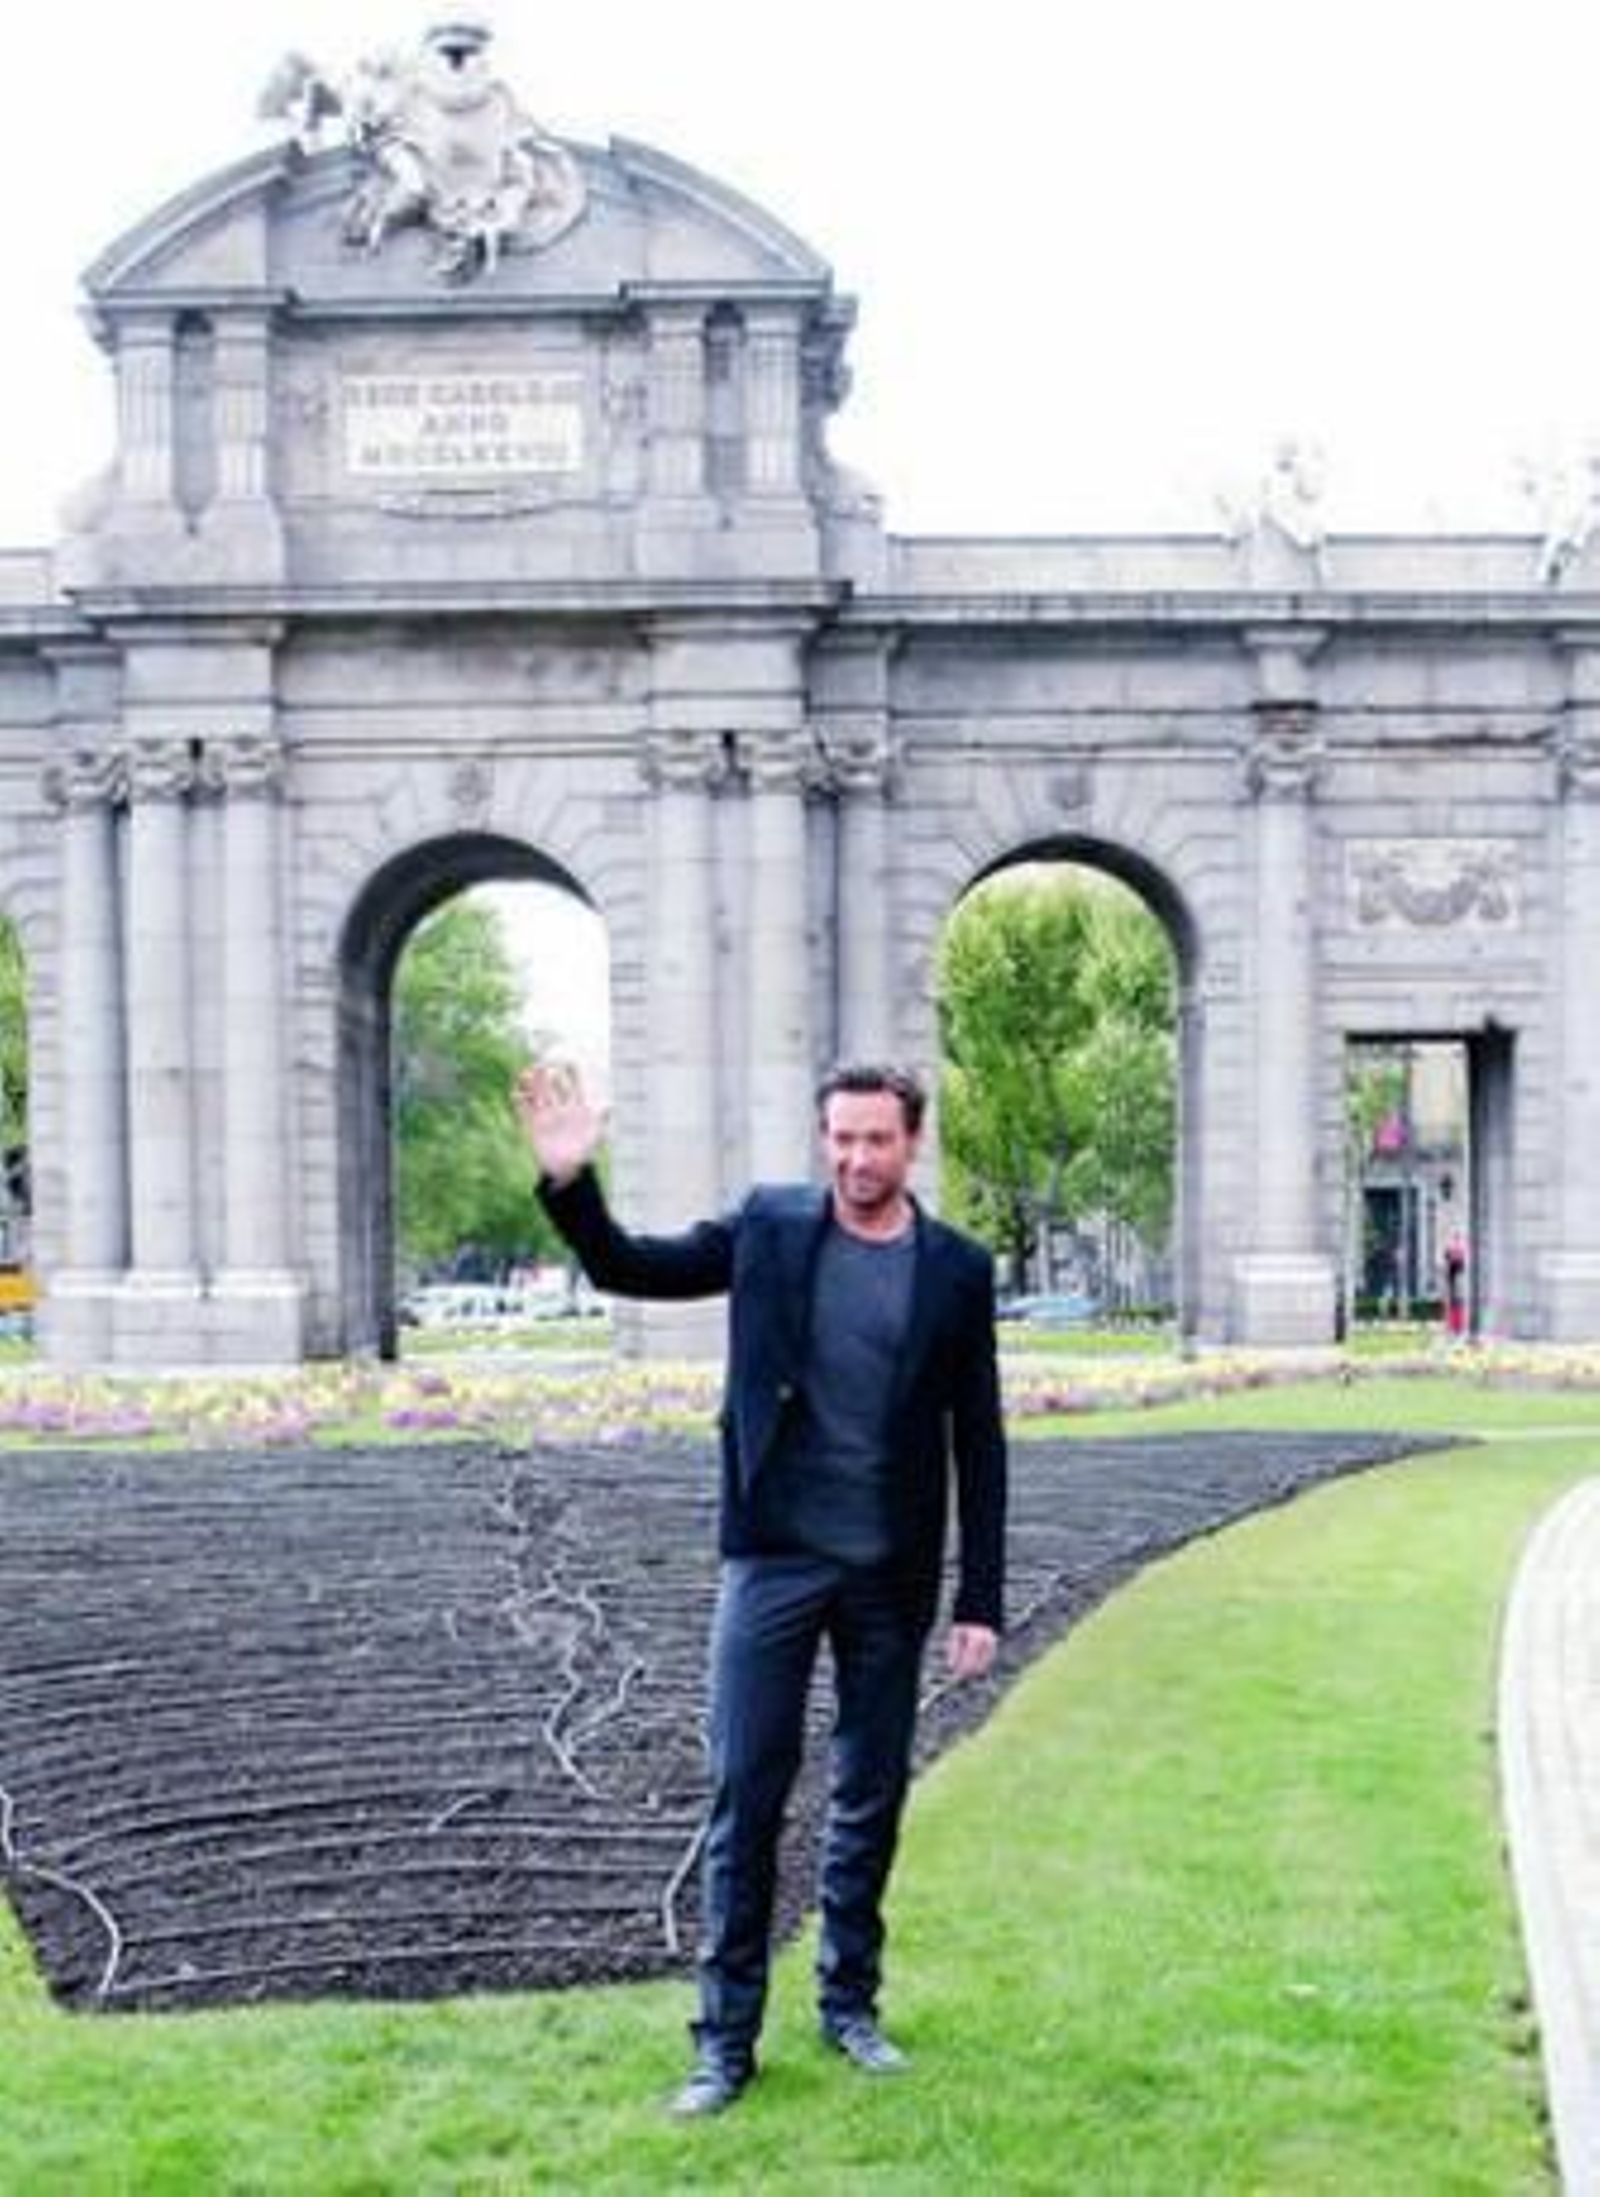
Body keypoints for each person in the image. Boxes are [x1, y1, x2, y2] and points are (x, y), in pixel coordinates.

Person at [514, 1059, 1007, 2118]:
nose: (856, 1159)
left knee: (870, 1795)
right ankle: (724, 2043)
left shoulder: (958, 1270)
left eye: (876, 1140)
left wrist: (980, 1599)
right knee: (746, 1790)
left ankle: (849, 2004)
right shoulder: (771, 1227)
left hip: (889, 1573)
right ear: (823, 1137)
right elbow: (631, 1267)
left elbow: (980, 1438)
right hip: (773, 1559)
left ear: (912, 1142)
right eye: (841, 1138)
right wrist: (570, 1181)